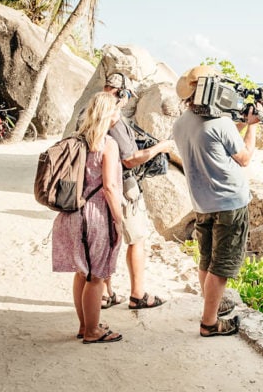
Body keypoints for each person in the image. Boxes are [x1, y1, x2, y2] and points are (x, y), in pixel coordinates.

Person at [172, 65, 261, 337]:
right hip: (229, 203)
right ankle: (209, 323)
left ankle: (212, 305)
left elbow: (213, 140)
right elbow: (244, 157)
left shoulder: (181, 122)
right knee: (221, 267)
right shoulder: (220, 124)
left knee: (206, 260)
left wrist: (241, 123)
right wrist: (253, 127)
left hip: (202, 203)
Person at [52, 92, 125, 343]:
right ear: (109, 113)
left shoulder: (77, 140)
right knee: (97, 276)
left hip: (72, 213)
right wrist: (119, 219)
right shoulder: (107, 144)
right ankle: (93, 332)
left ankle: (85, 325)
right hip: (94, 215)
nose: (120, 112)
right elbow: (110, 187)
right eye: (117, 108)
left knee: (82, 273)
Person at [98, 73, 173, 310]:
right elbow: (129, 160)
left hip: (94, 188)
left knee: (104, 243)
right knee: (137, 239)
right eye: (127, 95)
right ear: (122, 94)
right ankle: (138, 294)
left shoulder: (89, 113)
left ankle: (105, 293)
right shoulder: (113, 120)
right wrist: (160, 147)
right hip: (122, 187)